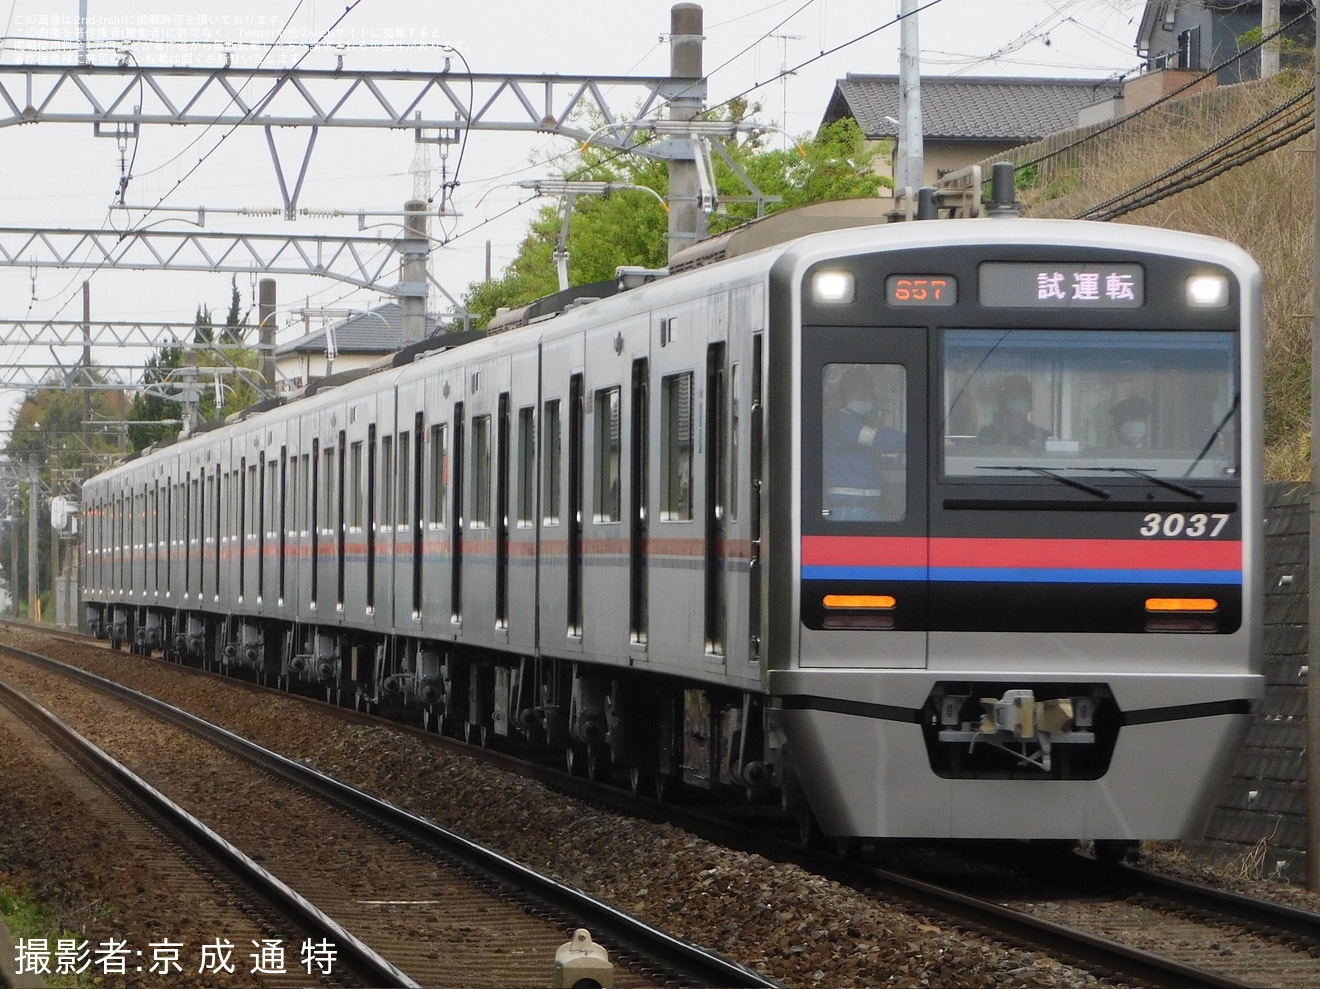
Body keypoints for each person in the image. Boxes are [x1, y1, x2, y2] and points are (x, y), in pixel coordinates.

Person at [822, 366, 905, 521]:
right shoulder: (842, 422)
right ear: (851, 393)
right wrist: (919, 441)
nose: (869, 397)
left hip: (863, 507)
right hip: (851, 509)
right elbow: (879, 438)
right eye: (865, 392)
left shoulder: (856, 420)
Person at [977, 375, 1051, 449]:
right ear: (1002, 403)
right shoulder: (987, 435)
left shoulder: (1045, 438)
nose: (1017, 403)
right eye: (1012, 396)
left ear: (1030, 404)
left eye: (1022, 396)